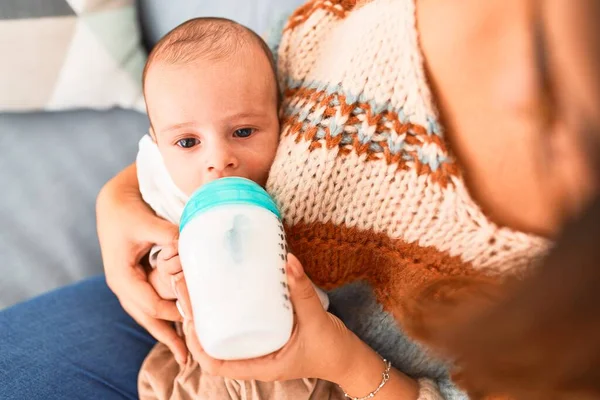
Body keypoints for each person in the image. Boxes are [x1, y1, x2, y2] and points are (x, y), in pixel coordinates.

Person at [1, 0, 598, 399]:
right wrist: (122, 202)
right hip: (175, 336)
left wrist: (341, 362)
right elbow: (210, 103)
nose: (520, 87)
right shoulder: (352, 17)